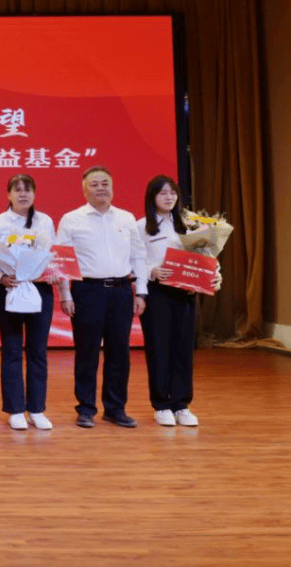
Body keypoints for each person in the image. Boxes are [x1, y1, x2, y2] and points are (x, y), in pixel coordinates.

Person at [56, 166, 148, 429]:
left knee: (120, 352)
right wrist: (65, 294)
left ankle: (116, 408)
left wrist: (140, 291)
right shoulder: (72, 219)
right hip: (87, 291)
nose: (100, 188)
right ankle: (86, 408)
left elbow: (138, 256)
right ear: (85, 190)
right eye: (94, 184)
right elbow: (63, 259)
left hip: (121, 290)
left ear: (112, 187)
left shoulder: (126, 218)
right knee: (87, 352)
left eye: (105, 183)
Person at [137, 175, 220, 428]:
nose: (168, 197)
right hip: (158, 293)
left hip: (186, 293)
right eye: (162, 193)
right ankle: (161, 404)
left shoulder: (192, 224)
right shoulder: (142, 226)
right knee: (159, 349)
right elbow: (136, 259)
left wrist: (215, 275)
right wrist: (152, 270)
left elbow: (207, 257)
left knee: (183, 350)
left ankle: (182, 405)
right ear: (152, 198)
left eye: (172, 193)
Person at [0, 174, 56, 431]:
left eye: (28, 190)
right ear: (8, 195)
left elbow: (54, 256)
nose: (23, 195)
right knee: (12, 350)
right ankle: (15, 409)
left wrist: (55, 275)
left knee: (38, 351)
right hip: (9, 289)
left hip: (39, 289)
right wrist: (0, 277)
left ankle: (36, 409)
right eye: (17, 190)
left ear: (35, 194)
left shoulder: (45, 221)